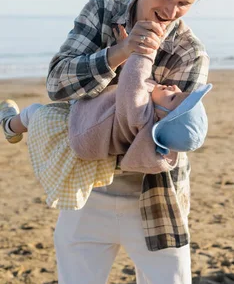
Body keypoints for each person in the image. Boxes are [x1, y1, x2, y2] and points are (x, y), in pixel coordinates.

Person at [10, 0, 209, 284]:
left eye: (184, 3)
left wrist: (109, 99)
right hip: (87, 193)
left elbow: (154, 140)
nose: (170, 9)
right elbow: (58, 84)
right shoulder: (102, 10)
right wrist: (119, 55)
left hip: (156, 199)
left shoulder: (190, 54)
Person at [0, 24, 212, 211]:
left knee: (36, 113)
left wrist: (144, 50)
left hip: (82, 129)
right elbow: (135, 83)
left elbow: (133, 81)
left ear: (160, 117)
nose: (174, 87)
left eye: (173, 96)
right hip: (95, 121)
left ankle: (10, 126)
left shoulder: (140, 114)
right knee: (59, 104)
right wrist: (125, 57)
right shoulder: (149, 109)